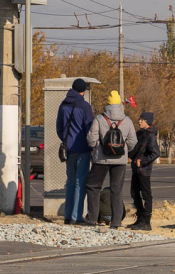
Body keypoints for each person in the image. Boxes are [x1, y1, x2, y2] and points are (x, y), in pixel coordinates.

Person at [86, 90, 137, 229]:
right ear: (119, 103)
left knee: (93, 187)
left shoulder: (99, 119)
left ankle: (92, 218)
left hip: (101, 160)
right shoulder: (127, 120)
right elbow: (133, 141)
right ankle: (116, 221)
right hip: (120, 161)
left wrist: (98, 147)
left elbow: (91, 140)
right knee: (117, 189)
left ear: (107, 103)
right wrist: (124, 150)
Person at [56, 79, 94, 225]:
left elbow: (59, 127)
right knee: (80, 182)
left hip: (69, 149)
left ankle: (67, 216)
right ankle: (76, 217)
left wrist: (66, 141)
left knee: (70, 182)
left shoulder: (63, 105)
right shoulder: (85, 106)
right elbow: (89, 129)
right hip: (83, 148)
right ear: (83, 91)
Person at [129, 112, 160, 231]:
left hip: (144, 171)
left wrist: (142, 161)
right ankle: (140, 217)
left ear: (147, 122)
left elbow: (155, 153)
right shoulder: (140, 134)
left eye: (142, 120)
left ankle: (146, 221)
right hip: (136, 169)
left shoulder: (150, 135)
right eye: (139, 119)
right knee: (134, 193)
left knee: (146, 195)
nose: (139, 122)